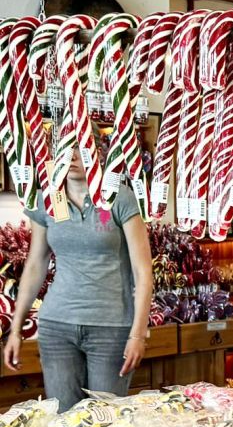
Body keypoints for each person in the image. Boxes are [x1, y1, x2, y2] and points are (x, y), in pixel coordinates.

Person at [4, 155, 154, 412]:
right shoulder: (47, 199)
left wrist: (138, 334)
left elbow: (143, 271)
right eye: (66, 149)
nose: (71, 157)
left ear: (97, 155)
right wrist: (15, 328)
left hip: (111, 328)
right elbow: (35, 264)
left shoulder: (120, 197)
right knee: (63, 420)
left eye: (80, 149)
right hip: (57, 327)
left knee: (106, 420)